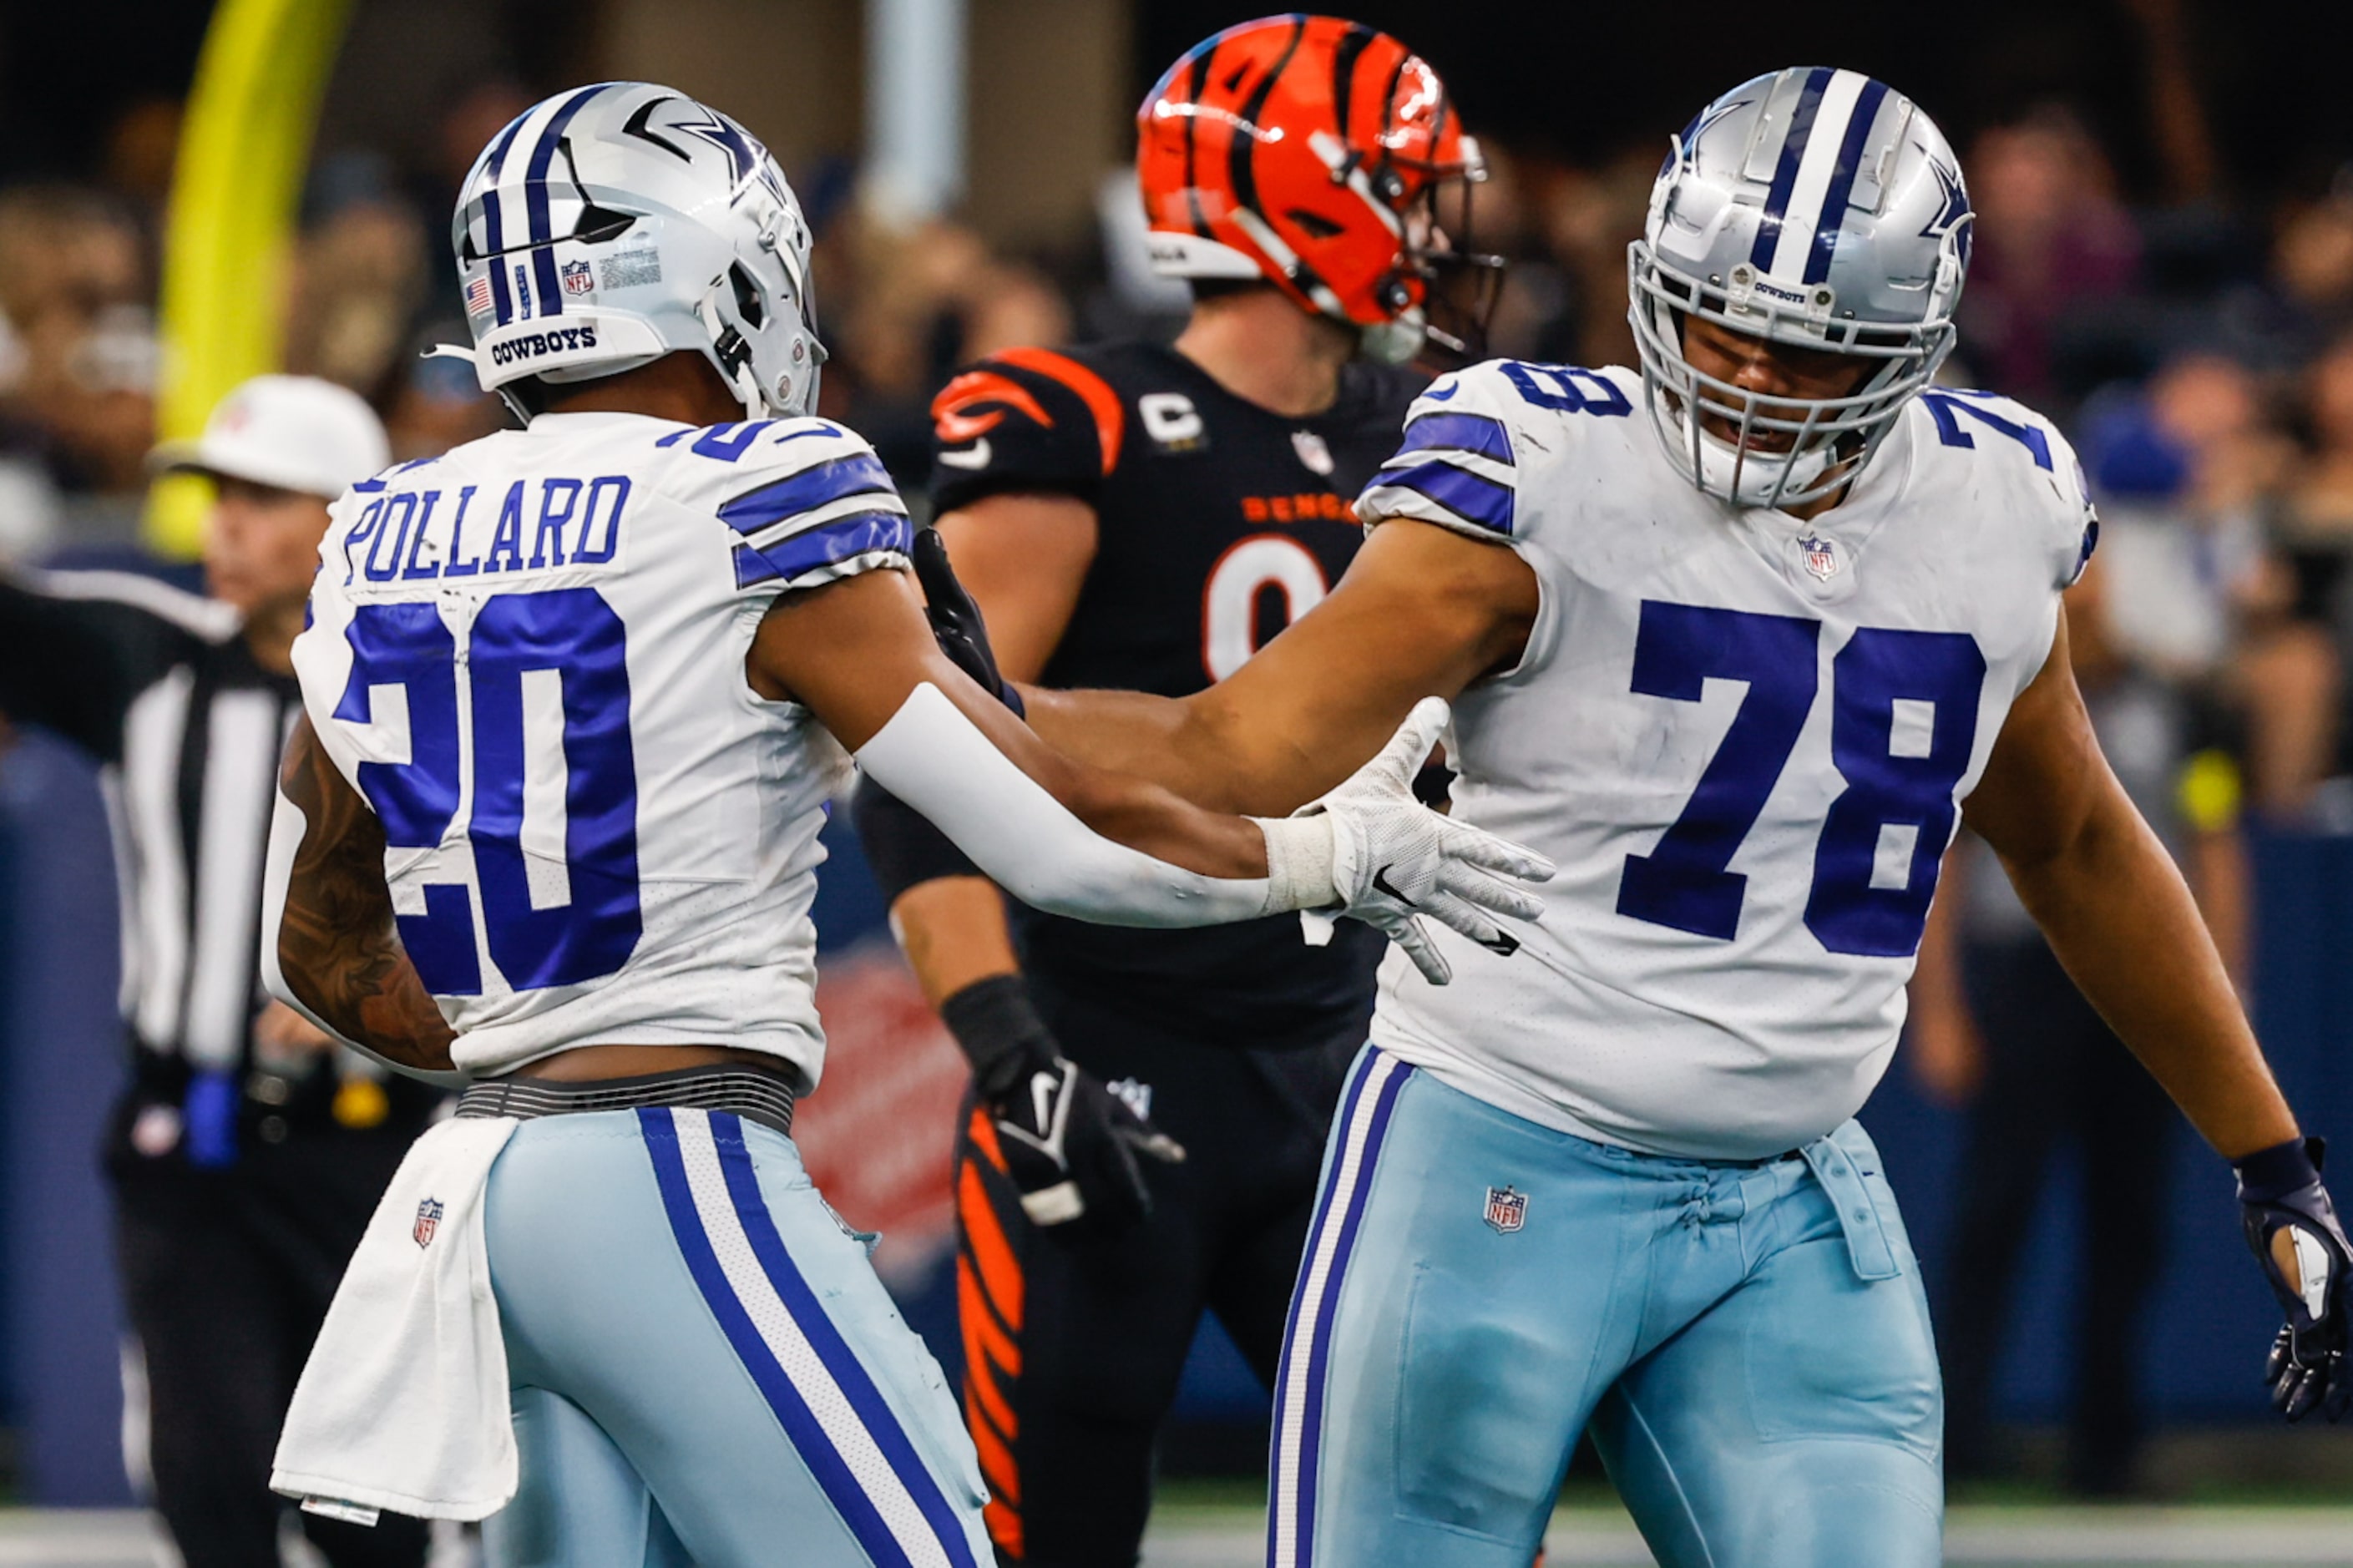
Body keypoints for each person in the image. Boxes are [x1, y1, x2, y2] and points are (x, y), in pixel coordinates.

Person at [994, 68, 2351, 1565]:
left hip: (1788, 1208)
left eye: (1809, 358)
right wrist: (930, 691)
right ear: (1655, 287)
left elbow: (2075, 841)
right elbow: (1222, 748)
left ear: (1911, 351)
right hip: (1488, 1167)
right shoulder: (1541, 473)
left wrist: (2270, 1155)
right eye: (1722, 331)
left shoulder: (1992, 500)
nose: (1751, 384)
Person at [254, 83, 1545, 1568]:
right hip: (668, 1174)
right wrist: (1324, 856)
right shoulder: (761, 492)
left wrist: (521, 1039)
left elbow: (313, 947)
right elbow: (1057, 843)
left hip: (471, 1179)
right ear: (718, 273)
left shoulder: (380, 528)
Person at [850, 17, 1491, 1562]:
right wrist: (1009, 1051)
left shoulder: (1433, 435)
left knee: (1444, 1518)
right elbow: (919, 760)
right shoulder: (1077, 421)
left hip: (1353, 1060)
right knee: (1052, 1526)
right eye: (1399, 185)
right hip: (1115, 1057)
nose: (1433, 223)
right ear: (1304, 200)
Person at [0, 373, 438, 1568]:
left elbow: (539, 868)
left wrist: (404, 973)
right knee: (209, 1473)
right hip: (186, 1144)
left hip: (373, 1138)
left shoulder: (440, 688)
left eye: (259, 498)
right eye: (216, 499)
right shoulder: (148, 662)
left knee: (372, 1504)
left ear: (343, 518)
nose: (224, 529)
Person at [1910, 548, 2249, 1495]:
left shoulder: (2178, 707)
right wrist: (1936, 1008)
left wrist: (2219, 997)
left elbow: (2214, 839)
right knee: (1992, 1214)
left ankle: (2108, 1446)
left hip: (2137, 985)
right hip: (2023, 977)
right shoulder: (1999, 697)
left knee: (2128, 1220)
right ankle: (1958, 1439)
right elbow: (1943, 863)